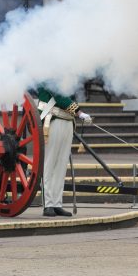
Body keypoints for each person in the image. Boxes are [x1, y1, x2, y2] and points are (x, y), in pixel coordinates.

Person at [35, 86, 92, 217]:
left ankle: (57, 203)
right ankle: (48, 204)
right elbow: (58, 95)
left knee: (61, 166)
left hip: (67, 121)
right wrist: (78, 111)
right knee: (49, 164)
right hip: (52, 119)